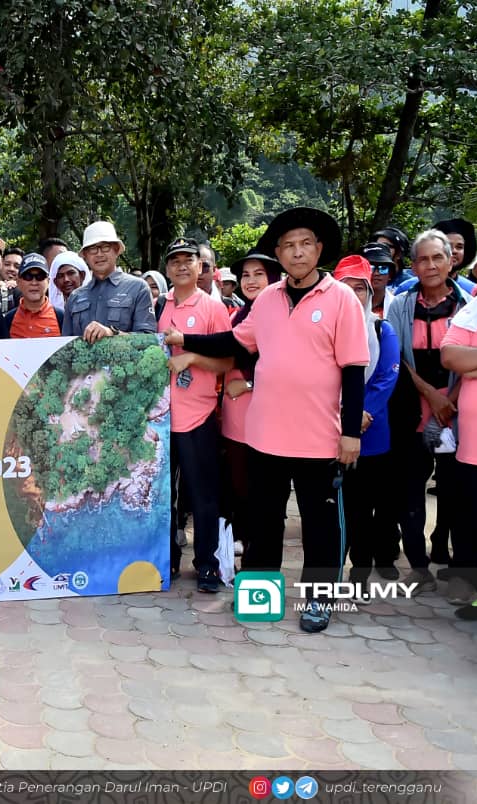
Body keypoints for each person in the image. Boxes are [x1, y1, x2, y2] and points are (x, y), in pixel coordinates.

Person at [166, 207, 368, 633]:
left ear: (319, 249)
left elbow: (353, 370)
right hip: (264, 436)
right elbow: (235, 342)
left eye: (306, 244)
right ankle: (260, 596)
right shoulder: (269, 300)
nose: (297, 253)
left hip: (318, 437)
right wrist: (186, 340)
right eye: (289, 246)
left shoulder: (341, 299)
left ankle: (319, 600)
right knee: (263, 521)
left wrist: (350, 433)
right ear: (279, 253)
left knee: (320, 526)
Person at [385, 229, 473, 602]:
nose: (431, 265)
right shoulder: (401, 305)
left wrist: (448, 398)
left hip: (459, 413)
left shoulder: (469, 304)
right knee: (409, 493)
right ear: (413, 265)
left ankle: (459, 567)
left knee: (458, 494)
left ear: (451, 261)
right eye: (423, 259)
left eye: (438, 257)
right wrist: (430, 395)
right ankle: (419, 567)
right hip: (411, 409)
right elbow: (397, 358)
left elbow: (470, 359)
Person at [157, 238, 233, 591]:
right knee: (163, 496)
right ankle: (167, 559)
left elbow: (227, 362)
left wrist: (190, 357)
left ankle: (207, 564)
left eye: (188, 260)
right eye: (175, 261)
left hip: (198, 415)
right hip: (160, 417)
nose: (182, 266)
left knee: (203, 496)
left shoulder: (213, 308)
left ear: (200, 266)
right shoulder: (160, 304)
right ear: (167, 269)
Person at [332, 255, 401, 594]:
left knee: (362, 511)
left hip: (370, 435)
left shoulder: (380, 329)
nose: (353, 295)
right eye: (345, 287)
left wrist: (362, 412)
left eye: (359, 288)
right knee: (334, 513)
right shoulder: (325, 329)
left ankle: (359, 574)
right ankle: (329, 575)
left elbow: (387, 376)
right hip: (328, 429)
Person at [219, 250, 282, 558]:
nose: (251, 280)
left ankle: (259, 547)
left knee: (263, 487)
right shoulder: (235, 316)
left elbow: (284, 368)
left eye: (259, 274)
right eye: (246, 275)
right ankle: (241, 536)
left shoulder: (281, 317)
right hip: (234, 416)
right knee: (237, 482)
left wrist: (247, 385)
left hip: (266, 416)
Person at [441, 295, 477, 618]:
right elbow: (451, 356)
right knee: (472, 517)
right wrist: (465, 364)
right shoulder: (476, 307)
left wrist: (474, 362)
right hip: (473, 443)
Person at [62, 221, 156, 339]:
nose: (99, 254)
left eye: (105, 247)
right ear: (85, 255)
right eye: (93, 249)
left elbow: (148, 339)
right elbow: (66, 344)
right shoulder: (75, 297)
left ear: (116, 250)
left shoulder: (138, 288)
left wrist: (112, 333)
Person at [3, 253, 63, 338]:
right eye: (28, 277)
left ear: (48, 281)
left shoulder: (61, 317)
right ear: (18, 282)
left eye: (40, 277)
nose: (34, 283)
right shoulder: (8, 319)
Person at [360, 242, 396, 319]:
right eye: (370, 268)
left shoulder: (398, 306)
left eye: (383, 268)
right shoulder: (349, 302)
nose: (376, 273)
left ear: (390, 274)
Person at [373, 226, 414, 291]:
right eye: (376, 246)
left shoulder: (410, 284)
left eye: (385, 246)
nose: (379, 250)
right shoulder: (366, 278)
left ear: (399, 254)